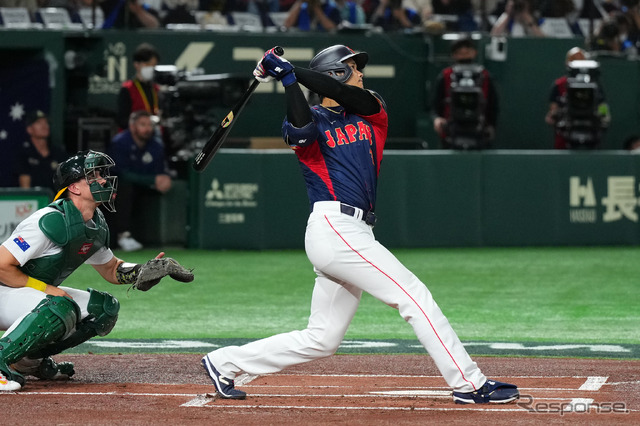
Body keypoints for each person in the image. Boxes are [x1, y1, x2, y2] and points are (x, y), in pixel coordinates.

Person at [200, 45, 520, 405]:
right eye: (353, 68)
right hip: (334, 226)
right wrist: (289, 81)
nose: (361, 74)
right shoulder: (310, 118)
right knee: (414, 297)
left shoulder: (372, 111)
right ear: (335, 72)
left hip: (354, 231)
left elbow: (343, 93)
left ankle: (223, 362)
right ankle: (470, 383)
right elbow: (302, 130)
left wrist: (290, 71)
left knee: (322, 338)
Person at [0, 150, 192, 391]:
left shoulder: (95, 223)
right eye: (93, 176)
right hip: (5, 291)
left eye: (101, 174)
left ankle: (27, 361)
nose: (103, 180)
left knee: (103, 309)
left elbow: (111, 269)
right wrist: (48, 289)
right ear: (74, 188)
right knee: (59, 305)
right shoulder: (50, 220)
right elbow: (2, 266)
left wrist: (144, 270)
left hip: (25, 295)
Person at [107, 110, 172, 252]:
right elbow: (122, 174)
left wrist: (163, 179)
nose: (147, 128)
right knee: (125, 187)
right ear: (132, 126)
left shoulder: (156, 145)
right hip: (119, 186)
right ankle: (123, 235)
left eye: (150, 125)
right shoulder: (120, 142)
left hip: (145, 185)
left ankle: (165, 237)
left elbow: (160, 171)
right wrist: (153, 179)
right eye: (143, 124)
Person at [432, 37, 499, 149]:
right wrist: (437, 119)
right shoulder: (446, 75)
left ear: (474, 53)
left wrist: (491, 126)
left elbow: (494, 105)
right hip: (451, 133)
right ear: (454, 55)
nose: (464, 56)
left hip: (480, 132)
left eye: (467, 52)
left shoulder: (485, 76)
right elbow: (435, 104)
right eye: (460, 53)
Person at [544, 47, 610, 149]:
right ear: (567, 63)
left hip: (591, 134)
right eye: (574, 60)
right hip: (565, 138)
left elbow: (602, 105)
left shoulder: (595, 86)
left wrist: (604, 116)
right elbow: (553, 112)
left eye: (582, 60)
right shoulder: (559, 85)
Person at [15, 110, 68, 193]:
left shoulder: (58, 153)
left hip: (57, 202)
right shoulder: (24, 154)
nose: (44, 126)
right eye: (39, 123)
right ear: (29, 129)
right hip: (34, 202)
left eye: (46, 122)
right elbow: (25, 189)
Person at [116, 43, 160, 130]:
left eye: (153, 65)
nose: (151, 68)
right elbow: (122, 120)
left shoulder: (156, 89)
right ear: (137, 65)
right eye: (147, 64)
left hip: (152, 135)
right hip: (133, 137)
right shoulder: (127, 89)